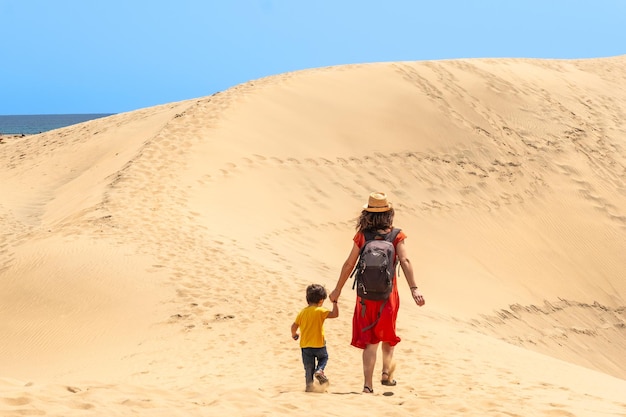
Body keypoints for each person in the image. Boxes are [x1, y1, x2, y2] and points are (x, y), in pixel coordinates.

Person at [329, 192, 425, 394]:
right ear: (389, 213)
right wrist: (414, 288)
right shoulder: (397, 235)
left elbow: (349, 264)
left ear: (367, 214)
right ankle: (386, 375)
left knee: (370, 341)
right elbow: (406, 261)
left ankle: (367, 385)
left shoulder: (362, 236)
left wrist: (337, 290)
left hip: (365, 297)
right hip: (388, 296)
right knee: (387, 335)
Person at [291, 284, 339, 392]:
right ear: (321, 300)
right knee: (324, 358)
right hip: (319, 344)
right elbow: (335, 314)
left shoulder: (302, 312)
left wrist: (294, 334)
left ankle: (309, 386)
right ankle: (320, 370)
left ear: (307, 299)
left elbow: (294, 326)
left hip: (305, 346)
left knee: (308, 368)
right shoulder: (320, 311)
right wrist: (335, 303)